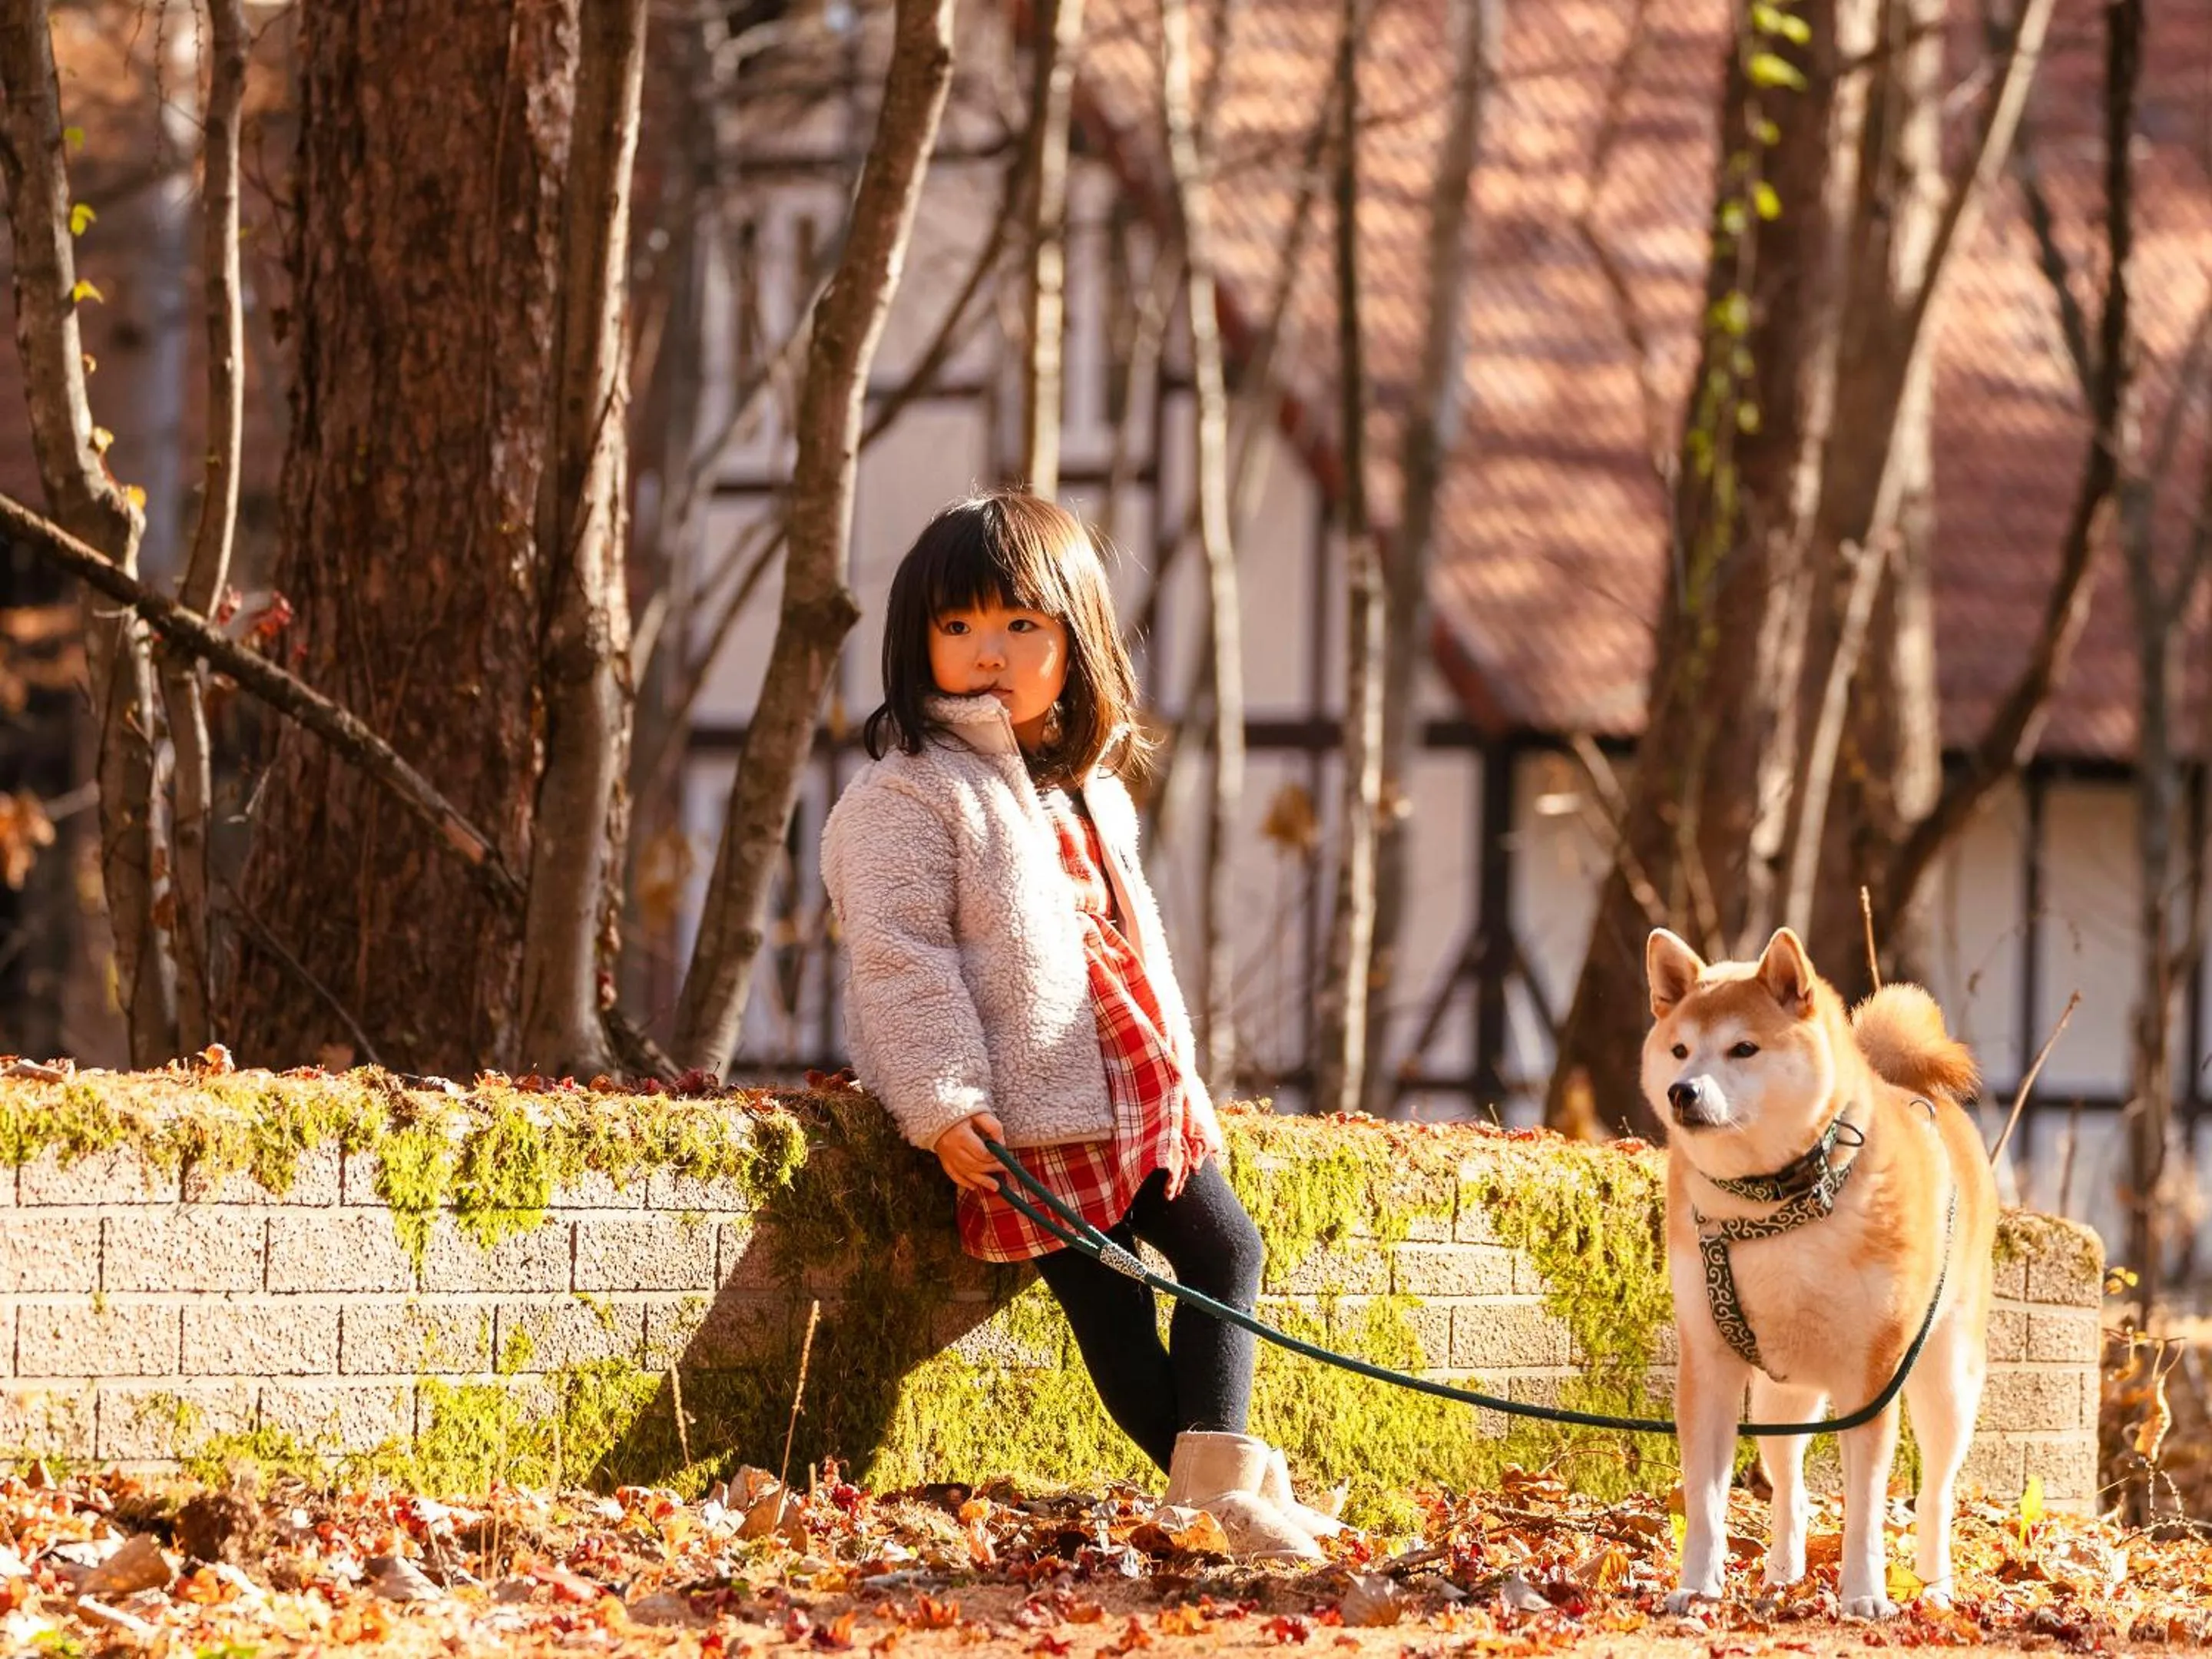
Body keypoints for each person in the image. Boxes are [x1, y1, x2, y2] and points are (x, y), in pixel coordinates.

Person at [820, 490, 1337, 1557]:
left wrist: (1184, 1080)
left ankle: (1227, 1492)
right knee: (1113, 1314)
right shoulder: (908, 796)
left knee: (1228, 1251)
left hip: (1134, 1087)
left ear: (1076, 642)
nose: (989, 653)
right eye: (958, 626)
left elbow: (1140, 949)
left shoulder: (1090, 791)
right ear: (919, 643)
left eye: (1022, 625)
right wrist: (945, 1103)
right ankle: (1229, 1504)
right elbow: (902, 960)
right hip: (1031, 1107)